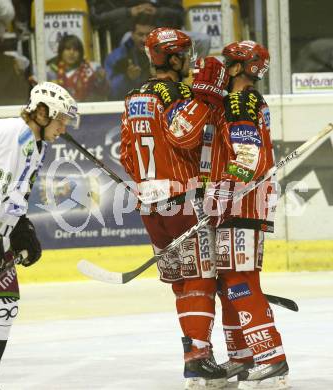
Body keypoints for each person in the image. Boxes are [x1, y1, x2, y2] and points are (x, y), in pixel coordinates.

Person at [0, 81, 79, 390]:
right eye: (60, 118)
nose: (63, 127)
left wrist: (20, 226)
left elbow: (12, 192)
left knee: (3, 304)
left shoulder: (35, 143)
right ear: (43, 112)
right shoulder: (12, 134)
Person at [120, 28, 230, 389]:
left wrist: (148, 179)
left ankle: (194, 356)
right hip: (182, 199)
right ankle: (199, 357)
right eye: (184, 53)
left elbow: (125, 154)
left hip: (150, 205)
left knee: (182, 282)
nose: (188, 59)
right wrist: (208, 99)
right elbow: (184, 134)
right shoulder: (178, 94)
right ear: (171, 57)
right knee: (200, 277)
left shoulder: (133, 97)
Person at [214, 41, 289, 389]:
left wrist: (224, 193)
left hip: (242, 205)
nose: (222, 68)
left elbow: (246, 157)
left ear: (241, 68)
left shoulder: (240, 100)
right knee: (228, 283)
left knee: (240, 282)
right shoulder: (242, 101)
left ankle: (272, 359)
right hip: (241, 204)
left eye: (228, 63)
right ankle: (242, 357)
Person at [104, 14, 155, 100]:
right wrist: (127, 78)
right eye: (140, 35)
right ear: (132, 34)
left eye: (148, 35)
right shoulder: (116, 57)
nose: (144, 39)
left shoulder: (164, 55)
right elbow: (109, 91)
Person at [47, 34, 108, 102]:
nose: (71, 53)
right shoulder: (51, 72)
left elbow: (103, 92)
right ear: (61, 51)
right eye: (68, 49)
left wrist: (101, 79)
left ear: (80, 53)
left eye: (75, 50)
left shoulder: (91, 68)